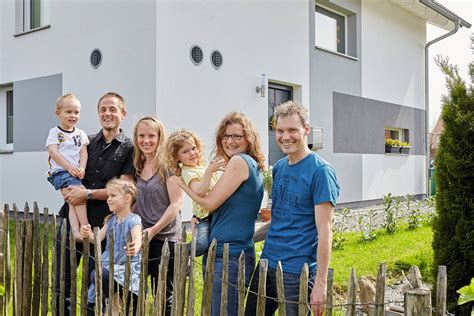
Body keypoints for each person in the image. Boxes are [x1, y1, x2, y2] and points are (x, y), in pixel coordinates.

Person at [245, 101, 340, 316]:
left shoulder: (321, 172)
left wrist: (320, 285)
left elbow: (325, 232)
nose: (285, 136)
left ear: (306, 130)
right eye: (280, 131)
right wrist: (245, 238)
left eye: (292, 130)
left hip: (297, 272)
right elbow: (279, 220)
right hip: (267, 263)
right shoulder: (279, 168)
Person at [54, 92, 135, 315]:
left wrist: (86, 194)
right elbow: (62, 168)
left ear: (123, 114)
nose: (107, 114)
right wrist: (68, 190)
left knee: (95, 284)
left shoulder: (129, 148)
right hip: (70, 219)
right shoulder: (84, 141)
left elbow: (124, 188)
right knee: (63, 282)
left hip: (102, 225)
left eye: (113, 109)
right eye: (103, 109)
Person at [178, 112, 265, 316]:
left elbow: (210, 201)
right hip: (223, 251)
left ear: (248, 139)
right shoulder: (248, 163)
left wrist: (182, 185)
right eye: (225, 136)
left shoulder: (239, 162)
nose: (230, 141)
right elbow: (222, 207)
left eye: (236, 136)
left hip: (231, 255)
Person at [132, 116, 183, 316]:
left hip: (165, 238)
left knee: (163, 294)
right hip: (140, 237)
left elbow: (176, 203)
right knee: (135, 291)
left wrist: (153, 230)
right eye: (141, 136)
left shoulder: (168, 166)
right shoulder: (136, 164)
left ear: (160, 137)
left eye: (151, 136)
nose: (146, 140)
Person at [81, 179, 142, 315]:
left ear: (127, 198)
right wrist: (87, 234)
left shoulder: (134, 219)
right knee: (97, 275)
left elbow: (138, 237)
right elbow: (96, 239)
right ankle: (114, 302)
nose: (108, 199)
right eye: (108, 196)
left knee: (101, 275)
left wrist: (135, 246)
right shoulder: (111, 220)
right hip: (109, 265)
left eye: (113, 195)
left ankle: (115, 305)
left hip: (126, 268)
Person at [164, 129, 225, 257]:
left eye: (193, 148)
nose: (192, 153)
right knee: (201, 245)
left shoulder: (200, 167)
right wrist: (209, 171)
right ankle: (180, 252)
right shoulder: (187, 172)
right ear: (177, 157)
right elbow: (200, 191)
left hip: (216, 212)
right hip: (203, 217)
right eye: (185, 151)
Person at [46, 93, 90, 241]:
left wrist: (82, 168)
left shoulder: (80, 133)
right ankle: (86, 228)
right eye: (68, 112)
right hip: (60, 172)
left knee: (72, 201)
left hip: (74, 173)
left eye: (76, 112)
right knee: (81, 194)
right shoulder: (55, 132)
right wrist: (69, 167)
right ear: (58, 113)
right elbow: (53, 152)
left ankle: (76, 233)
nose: (73, 115)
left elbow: (83, 152)